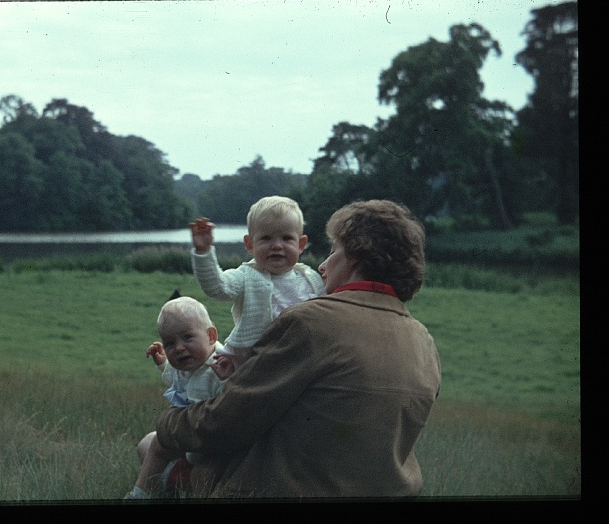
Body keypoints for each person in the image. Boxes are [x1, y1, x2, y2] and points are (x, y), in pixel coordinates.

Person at [155, 199, 442, 498]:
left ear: (356, 257)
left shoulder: (311, 321)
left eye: (333, 252)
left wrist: (168, 424)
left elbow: (226, 421)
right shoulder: (424, 341)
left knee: (167, 458)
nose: (322, 265)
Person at [190, 195, 326, 378]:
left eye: (286, 238)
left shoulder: (311, 279)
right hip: (255, 366)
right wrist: (203, 252)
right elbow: (217, 288)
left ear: (301, 244)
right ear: (249, 244)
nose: (277, 246)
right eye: (266, 238)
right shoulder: (247, 276)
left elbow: (327, 314)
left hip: (300, 362)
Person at [124, 296, 226, 500]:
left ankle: (173, 484)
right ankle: (146, 492)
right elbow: (177, 379)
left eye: (187, 337)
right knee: (147, 443)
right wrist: (162, 363)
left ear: (211, 336)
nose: (178, 348)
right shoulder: (189, 362)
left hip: (211, 450)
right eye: (170, 343)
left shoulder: (221, 366)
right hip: (185, 441)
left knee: (203, 475)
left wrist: (229, 378)